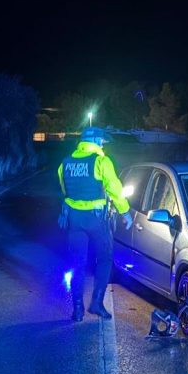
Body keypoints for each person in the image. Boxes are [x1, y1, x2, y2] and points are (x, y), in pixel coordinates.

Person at [58, 127, 133, 321]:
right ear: (95, 141)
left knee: (77, 263)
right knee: (105, 259)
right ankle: (97, 304)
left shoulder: (65, 163)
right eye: (101, 141)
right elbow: (115, 188)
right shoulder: (101, 161)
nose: (102, 145)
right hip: (97, 220)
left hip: (74, 219)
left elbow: (65, 189)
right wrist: (125, 212)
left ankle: (77, 310)